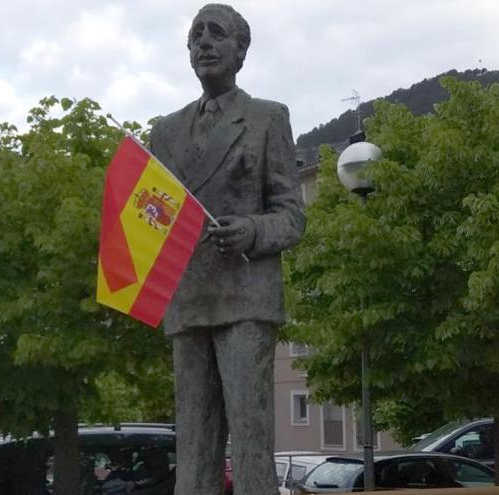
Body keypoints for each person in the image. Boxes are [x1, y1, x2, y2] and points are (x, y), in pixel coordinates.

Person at [149, 4, 306, 495]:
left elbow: (292, 216)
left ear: (241, 50)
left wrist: (253, 231)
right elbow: (151, 217)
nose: (203, 43)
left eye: (217, 34)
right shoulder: (165, 131)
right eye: (195, 36)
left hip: (245, 296)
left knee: (251, 435)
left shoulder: (266, 118)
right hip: (187, 297)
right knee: (193, 440)